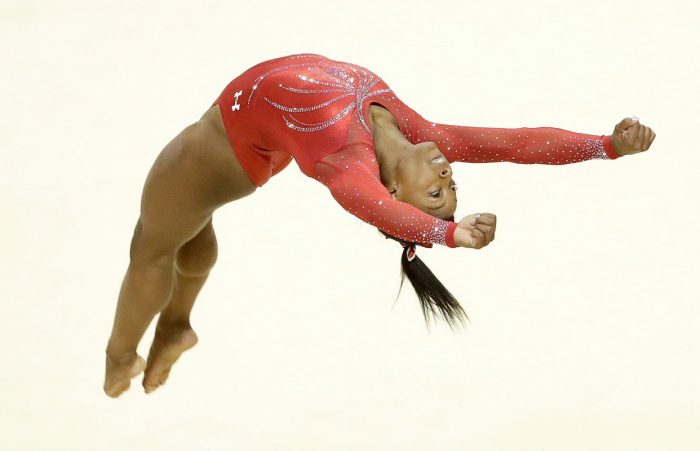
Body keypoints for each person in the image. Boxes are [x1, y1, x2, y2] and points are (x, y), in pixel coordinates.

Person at [103, 53, 656, 397]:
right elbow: (510, 143)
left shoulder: (349, 168)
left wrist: (447, 232)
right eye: (451, 188)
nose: (448, 174)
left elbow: (376, 210)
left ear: (393, 192)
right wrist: (605, 146)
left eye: (434, 193)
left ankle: (120, 357)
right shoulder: (415, 128)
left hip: (225, 149)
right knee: (190, 229)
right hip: (254, 137)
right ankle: (176, 324)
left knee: (150, 246)